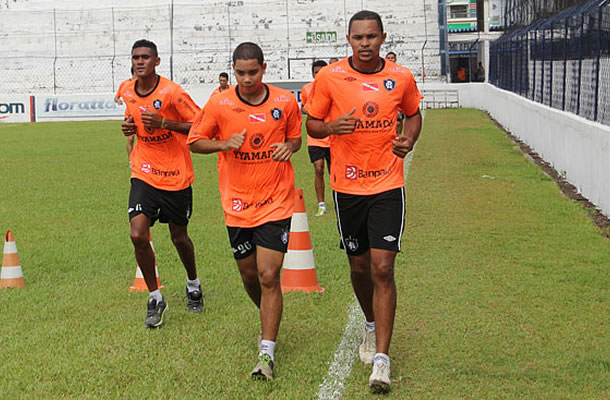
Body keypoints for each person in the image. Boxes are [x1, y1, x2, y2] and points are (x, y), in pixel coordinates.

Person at [305, 10, 423, 394]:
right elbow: (312, 123)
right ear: (348, 39)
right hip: (348, 186)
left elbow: (414, 114)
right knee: (359, 268)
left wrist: (409, 139)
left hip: (388, 183)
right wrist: (330, 128)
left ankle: (383, 360)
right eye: (359, 38)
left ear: (383, 38)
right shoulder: (330, 78)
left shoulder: (400, 77)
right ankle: (370, 325)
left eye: (372, 37)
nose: (365, 43)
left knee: (382, 267)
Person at [188, 42, 302, 381]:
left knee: (269, 275)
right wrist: (224, 144)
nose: (247, 78)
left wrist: (289, 146)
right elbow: (194, 140)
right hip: (237, 203)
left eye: (253, 72)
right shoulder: (220, 103)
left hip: (276, 200)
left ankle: (266, 353)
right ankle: (269, 318)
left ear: (264, 68)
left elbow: (296, 138)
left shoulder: (283, 101)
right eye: (240, 73)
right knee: (249, 276)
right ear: (233, 71)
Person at [120, 39, 204, 328]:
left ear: (157, 61)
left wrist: (165, 123)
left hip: (176, 174)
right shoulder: (127, 90)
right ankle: (155, 297)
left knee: (179, 237)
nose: (139, 61)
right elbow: (130, 117)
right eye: (135, 57)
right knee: (137, 234)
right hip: (143, 170)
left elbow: (200, 126)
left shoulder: (173, 93)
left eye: (145, 57)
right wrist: (128, 126)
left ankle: (193, 283)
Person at [301, 59, 330, 216]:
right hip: (315, 137)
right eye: (316, 72)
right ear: (313, 74)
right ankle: (321, 204)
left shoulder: (334, 88)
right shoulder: (307, 89)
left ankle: (341, 198)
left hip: (332, 136)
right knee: (318, 168)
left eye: (322, 72)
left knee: (336, 172)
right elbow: (304, 107)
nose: (319, 75)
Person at [115, 67, 137, 158]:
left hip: (142, 115)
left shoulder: (144, 84)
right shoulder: (125, 84)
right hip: (129, 116)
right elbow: (116, 97)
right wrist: (118, 100)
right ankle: (131, 161)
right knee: (131, 138)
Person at [385, 52, 404, 136]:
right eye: (388, 58)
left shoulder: (399, 72)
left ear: (395, 59)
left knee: (399, 121)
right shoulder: (383, 71)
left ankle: (398, 135)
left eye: (392, 58)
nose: (390, 60)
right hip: (387, 99)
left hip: (398, 98)